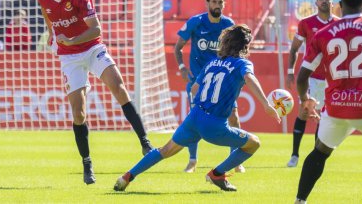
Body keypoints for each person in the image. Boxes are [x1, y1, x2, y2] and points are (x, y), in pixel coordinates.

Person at [114, 24, 281, 192]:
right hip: (214, 125)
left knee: (165, 150)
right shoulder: (242, 64)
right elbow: (249, 77)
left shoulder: (212, 63)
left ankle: (126, 177)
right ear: (245, 46)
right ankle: (217, 173)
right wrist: (266, 104)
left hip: (194, 117)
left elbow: (194, 89)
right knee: (254, 144)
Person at [37, 0, 153, 185]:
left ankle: (145, 142)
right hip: (69, 59)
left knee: (119, 88)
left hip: (92, 49)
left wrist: (69, 40)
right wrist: (52, 34)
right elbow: (47, 14)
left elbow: (96, 29)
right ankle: (87, 163)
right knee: (78, 113)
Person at [294, 0, 362, 203]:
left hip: (336, 108)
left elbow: (302, 77)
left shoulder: (323, 34)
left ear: (340, 5)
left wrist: (305, 100)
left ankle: (300, 201)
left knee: (320, 152)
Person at [174, 0, 245, 173]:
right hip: (199, 80)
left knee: (234, 117)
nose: (217, 5)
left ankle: (236, 160)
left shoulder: (229, 24)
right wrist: (182, 67)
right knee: (194, 120)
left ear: (224, 3)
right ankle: (192, 160)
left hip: (223, 81)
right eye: (213, 2)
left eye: (220, 2)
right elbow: (178, 47)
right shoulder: (195, 22)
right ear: (207, 3)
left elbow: (236, 51)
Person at [286, 0, 339, 168]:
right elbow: (294, 49)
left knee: (324, 118)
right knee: (304, 111)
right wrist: (290, 71)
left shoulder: (339, 24)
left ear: (333, 3)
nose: (324, 1)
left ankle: (317, 156)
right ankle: (294, 154)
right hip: (312, 78)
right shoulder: (306, 23)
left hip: (333, 79)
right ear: (316, 3)